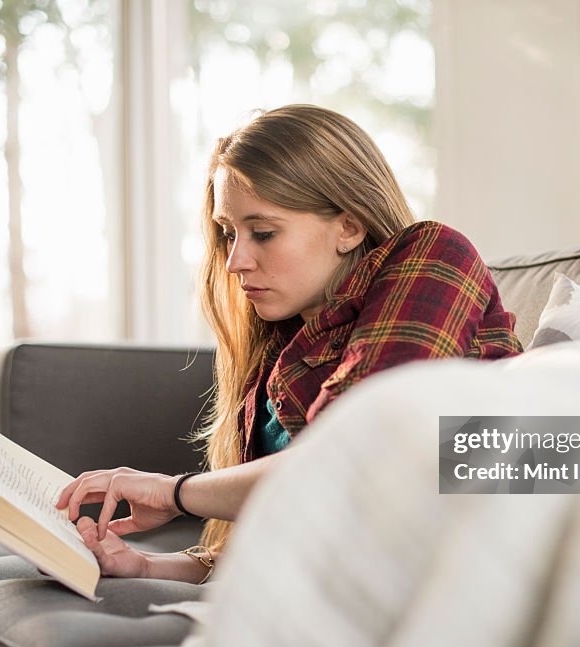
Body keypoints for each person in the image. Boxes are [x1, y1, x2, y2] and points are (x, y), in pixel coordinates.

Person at [55, 104, 523, 584]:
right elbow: (288, 537)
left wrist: (174, 493)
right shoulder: (275, 355)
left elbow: (353, 450)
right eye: (228, 233)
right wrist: (148, 565)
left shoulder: (434, 253)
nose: (235, 260)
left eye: (263, 232)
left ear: (349, 226)